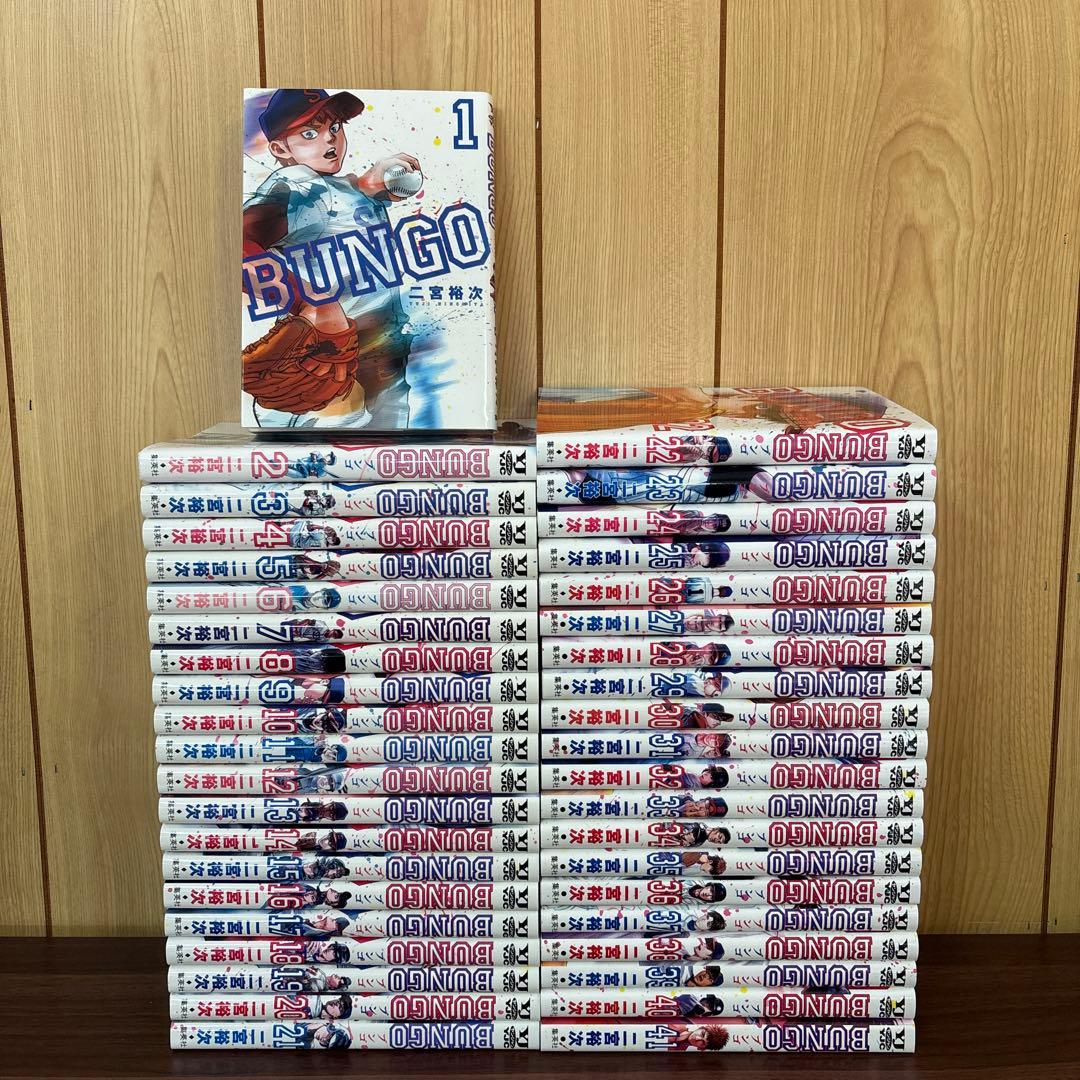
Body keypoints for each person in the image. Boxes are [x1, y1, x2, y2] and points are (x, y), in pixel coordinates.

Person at [242, 88, 420, 429]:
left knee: (385, 454)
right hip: (329, 369)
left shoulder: (333, 188)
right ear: (280, 149)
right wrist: (307, 299)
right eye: (309, 133)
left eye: (334, 127)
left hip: (379, 361)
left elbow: (336, 203)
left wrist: (364, 184)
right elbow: (242, 243)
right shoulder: (296, 183)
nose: (329, 139)